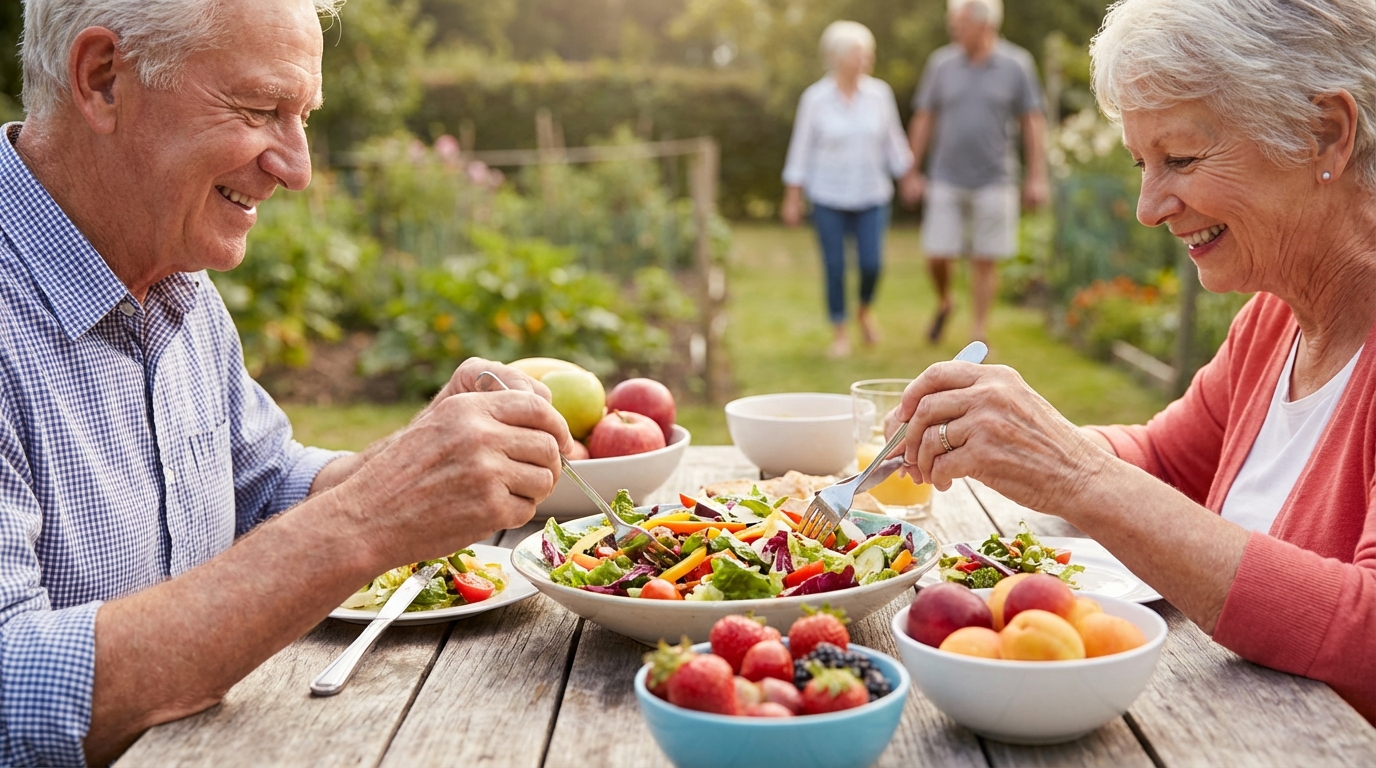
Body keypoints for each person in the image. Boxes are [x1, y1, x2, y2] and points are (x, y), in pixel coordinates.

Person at [0, 1, 575, 764]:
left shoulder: (172, 281)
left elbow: (266, 485)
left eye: (301, 115)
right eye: (260, 109)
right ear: (103, 80)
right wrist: (369, 517)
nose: (297, 169)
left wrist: (412, 464)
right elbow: (15, 689)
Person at [892, 0, 1376, 722]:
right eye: (1141, 163)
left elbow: (1364, 628)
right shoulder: (1276, 321)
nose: (1149, 207)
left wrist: (1072, 472)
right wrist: (1008, 438)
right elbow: (1162, 461)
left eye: (1179, 158)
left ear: (1325, 134)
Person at [903, 0, 1048, 344]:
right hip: (945, 176)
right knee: (937, 253)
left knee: (985, 259)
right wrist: (911, 170)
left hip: (996, 177)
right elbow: (924, 118)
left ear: (985, 25)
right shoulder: (941, 64)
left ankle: (978, 331)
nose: (954, 29)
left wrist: (1037, 176)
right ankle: (945, 299)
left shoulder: (1016, 64)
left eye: (961, 22)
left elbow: (1032, 122)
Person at [781, 21, 913, 359]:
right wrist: (793, 197)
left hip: (872, 195)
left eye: (868, 53)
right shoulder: (815, 99)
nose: (866, 60)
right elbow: (800, 150)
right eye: (858, 54)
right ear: (837, 58)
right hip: (828, 196)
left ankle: (865, 310)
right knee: (835, 266)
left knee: (871, 264)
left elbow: (893, 143)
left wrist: (909, 176)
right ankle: (840, 331)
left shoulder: (879, 95)